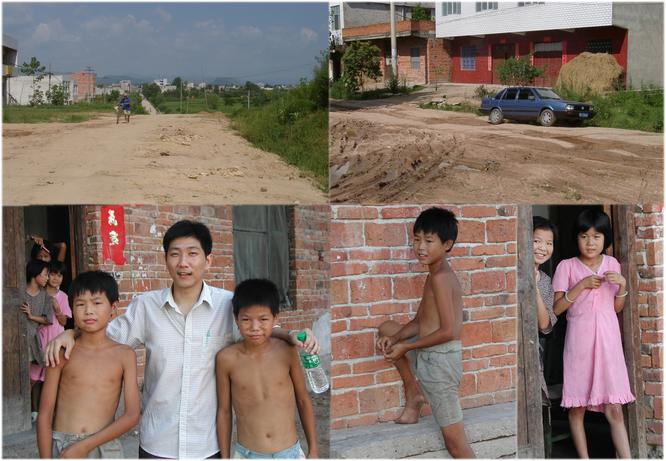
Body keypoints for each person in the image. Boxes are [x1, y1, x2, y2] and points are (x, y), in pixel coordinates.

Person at [46, 220, 319, 459]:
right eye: (175, 254)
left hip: (207, 443)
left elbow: (258, 329)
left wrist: (289, 334)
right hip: (157, 442)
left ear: (208, 260)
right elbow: (103, 334)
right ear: (166, 260)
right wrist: (71, 332)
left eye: (192, 254)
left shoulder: (227, 305)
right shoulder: (146, 307)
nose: (183, 263)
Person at [376, 207, 475, 459]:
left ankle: (419, 394)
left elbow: (450, 331)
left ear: (447, 244)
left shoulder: (441, 278)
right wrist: (397, 339)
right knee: (387, 329)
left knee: (456, 444)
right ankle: (415, 394)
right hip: (427, 353)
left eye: (429, 241)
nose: (421, 247)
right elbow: (420, 321)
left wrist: (406, 347)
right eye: (417, 239)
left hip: (440, 364)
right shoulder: (432, 276)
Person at [552, 209, 633, 459]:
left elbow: (616, 308)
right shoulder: (566, 266)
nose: (590, 242)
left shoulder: (612, 265)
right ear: (576, 238)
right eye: (584, 236)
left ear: (605, 239)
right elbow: (556, 309)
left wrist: (623, 285)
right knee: (577, 409)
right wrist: (581, 285)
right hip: (580, 344)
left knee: (615, 408)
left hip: (608, 343)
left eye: (597, 236)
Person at [37, 271, 140, 458]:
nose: (88, 311)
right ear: (72, 310)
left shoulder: (125, 355)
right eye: (80, 304)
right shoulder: (61, 353)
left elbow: (132, 415)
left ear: (113, 309)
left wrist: (84, 446)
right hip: (63, 445)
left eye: (97, 302)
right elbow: (44, 414)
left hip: (106, 446)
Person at [216, 279, 318, 459]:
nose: (255, 328)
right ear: (236, 318)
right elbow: (224, 411)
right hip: (247, 454)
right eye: (246, 319)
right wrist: (225, 457)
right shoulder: (226, 359)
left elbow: (302, 399)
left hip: (289, 453)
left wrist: (314, 450)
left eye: (263, 319)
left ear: (275, 319)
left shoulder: (286, 351)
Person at [22, 259, 58, 423]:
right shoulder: (19, 291)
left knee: (32, 377)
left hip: (34, 340)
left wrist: (31, 316)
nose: (46, 278)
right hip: (18, 339)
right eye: (44, 275)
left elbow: (48, 319)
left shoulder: (44, 295)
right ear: (35, 274)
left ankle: (27, 411)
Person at [45, 261, 73, 331]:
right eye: (52, 274)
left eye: (59, 276)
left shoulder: (64, 297)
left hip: (56, 335)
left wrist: (57, 309)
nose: (55, 278)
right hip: (41, 334)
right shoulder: (39, 293)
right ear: (46, 275)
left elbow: (63, 322)